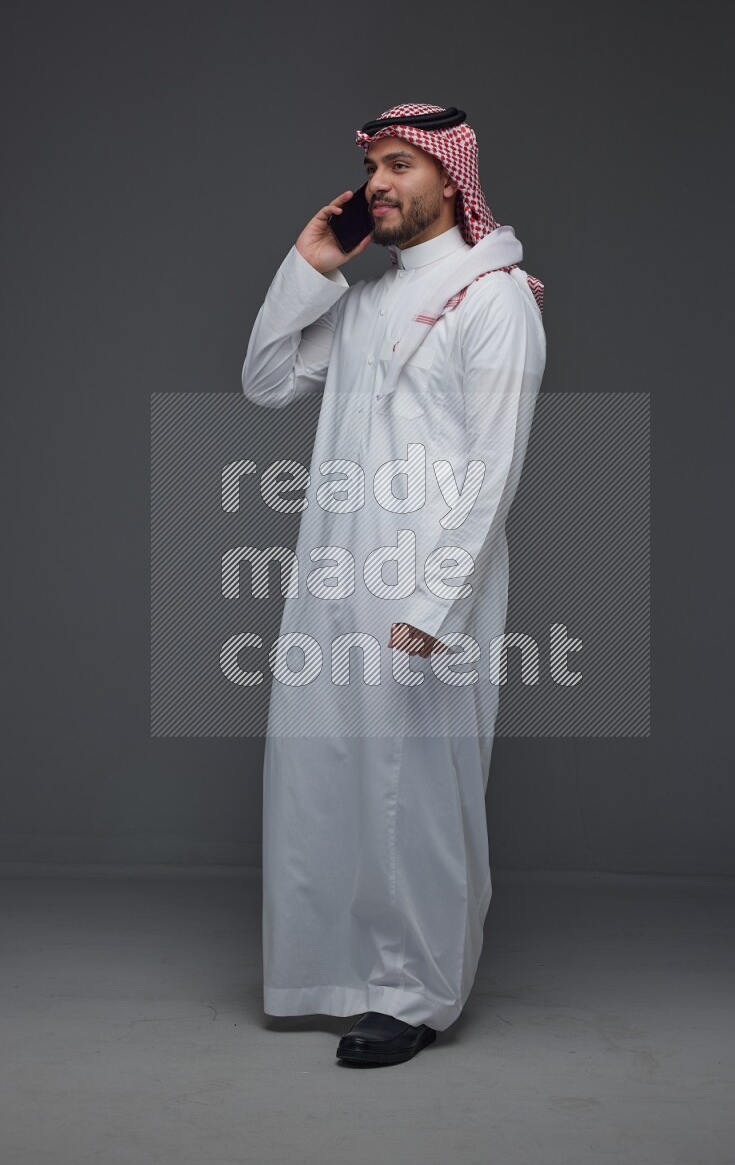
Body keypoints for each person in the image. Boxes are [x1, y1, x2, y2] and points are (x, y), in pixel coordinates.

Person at [241, 103, 546, 1067]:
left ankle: (417, 991)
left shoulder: (496, 300)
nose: (379, 183)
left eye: (400, 164)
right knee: (328, 773)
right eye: (373, 165)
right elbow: (266, 379)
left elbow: (494, 467)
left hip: (423, 593)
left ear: (451, 178)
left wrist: (434, 605)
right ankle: (338, 974)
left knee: (416, 791)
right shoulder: (369, 302)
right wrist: (310, 268)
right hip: (336, 575)